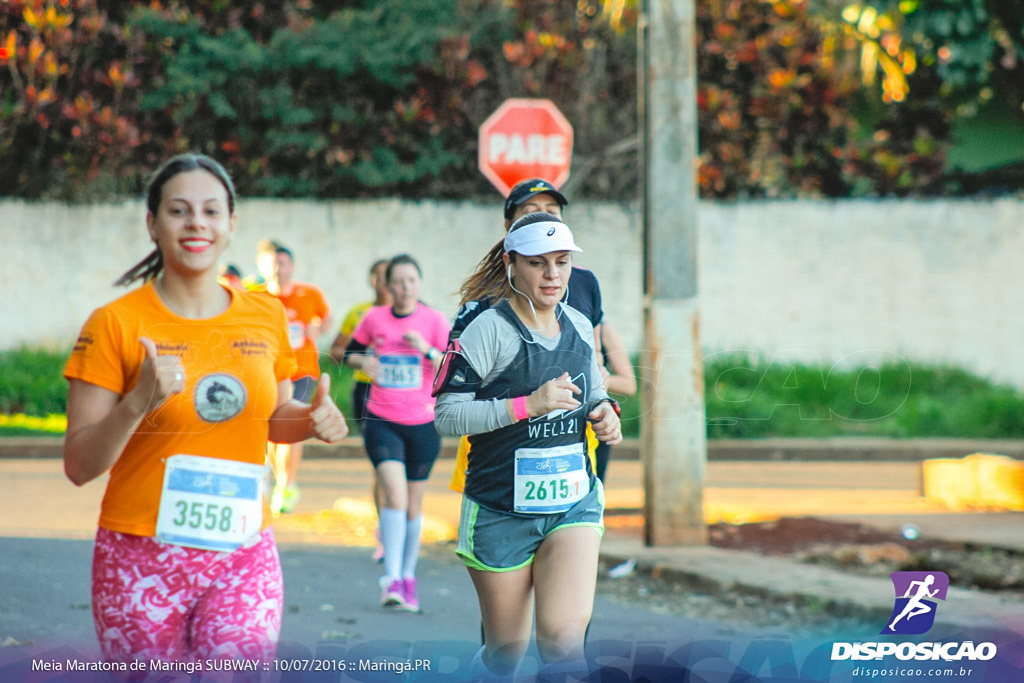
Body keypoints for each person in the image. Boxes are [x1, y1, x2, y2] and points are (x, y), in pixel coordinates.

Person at [62, 153, 348, 666]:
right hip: (138, 555)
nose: (197, 222)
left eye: (212, 211)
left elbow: (273, 419)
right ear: (152, 223)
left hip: (243, 549)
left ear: (231, 225)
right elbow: (80, 466)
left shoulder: (265, 313)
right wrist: (137, 403)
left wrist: (309, 420)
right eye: (179, 210)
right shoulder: (114, 324)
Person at [433, 212, 622, 680]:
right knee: (505, 655)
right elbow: (446, 414)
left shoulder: (578, 323)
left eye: (562, 262)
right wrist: (525, 406)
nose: (553, 274)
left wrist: (604, 414)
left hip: (572, 502)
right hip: (499, 510)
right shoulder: (486, 330)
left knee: (561, 643)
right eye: (539, 263)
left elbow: (593, 388)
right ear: (511, 262)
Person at [448, 177, 608, 495]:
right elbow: (454, 398)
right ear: (509, 226)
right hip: (504, 447)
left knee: (577, 521)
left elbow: (595, 358)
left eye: (552, 209)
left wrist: (602, 404)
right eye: (531, 210)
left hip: (570, 436)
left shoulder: (584, 282)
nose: (544, 216)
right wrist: (528, 402)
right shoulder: (487, 302)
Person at [343, 254, 450, 612]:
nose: (404, 289)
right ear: (387, 287)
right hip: (381, 419)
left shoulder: (434, 320)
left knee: (414, 505)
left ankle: (408, 577)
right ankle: (390, 580)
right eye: (397, 282)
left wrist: (428, 349)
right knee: (395, 495)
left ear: (419, 284)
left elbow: (455, 366)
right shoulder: (374, 318)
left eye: (410, 281)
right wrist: (365, 362)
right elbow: (347, 353)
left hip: (423, 424)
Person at [260, 241, 333, 515]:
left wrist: (317, 330)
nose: (278, 269)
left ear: (292, 266)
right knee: (269, 427)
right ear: (262, 266)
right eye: (272, 263)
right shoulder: (257, 297)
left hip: (301, 370)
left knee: (293, 426)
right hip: (268, 371)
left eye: (282, 263)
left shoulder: (310, 294)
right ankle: (272, 477)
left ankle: (285, 485)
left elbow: (327, 319)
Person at [329, 258, 393, 561]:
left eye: (390, 277)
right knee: (382, 465)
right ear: (372, 281)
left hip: (406, 394)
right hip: (368, 390)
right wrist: (362, 356)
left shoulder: (418, 311)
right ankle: (385, 531)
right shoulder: (359, 313)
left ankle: (400, 526)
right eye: (380, 277)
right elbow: (336, 349)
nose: (387, 283)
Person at [593, 320, 637, 482]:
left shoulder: (604, 329)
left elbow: (629, 384)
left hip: (595, 418)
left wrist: (591, 379)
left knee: (596, 484)